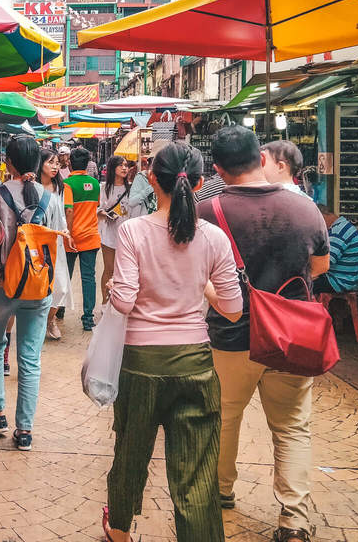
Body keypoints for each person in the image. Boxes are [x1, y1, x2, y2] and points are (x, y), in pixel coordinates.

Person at [103, 141, 242, 542]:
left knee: (130, 453)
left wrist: (114, 286)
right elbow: (233, 308)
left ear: (151, 179)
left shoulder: (132, 231)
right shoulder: (214, 237)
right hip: (195, 365)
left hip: (141, 364)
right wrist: (202, 290)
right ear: (199, 183)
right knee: (196, 474)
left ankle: (119, 531)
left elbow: (124, 301)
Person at [197, 126, 330, 542]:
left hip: (232, 335)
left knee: (224, 416)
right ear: (261, 157)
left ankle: (219, 492)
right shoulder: (305, 209)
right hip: (292, 335)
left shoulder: (207, 211)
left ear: (217, 168)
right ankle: (294, 520)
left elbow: (195, 273)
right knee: (292, 426)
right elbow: (321, 267)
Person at [0, 136, 71, 451]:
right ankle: (24, 431)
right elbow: (56, 242)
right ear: (37, 165)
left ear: (7, 163)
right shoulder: (49, 199)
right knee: (30, 357)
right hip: (38, 287)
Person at [98, 155, 146, 302]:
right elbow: (99, 209)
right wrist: (104, 213)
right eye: (121, 165)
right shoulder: (104, 188)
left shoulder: (132, 188)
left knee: (126, 271)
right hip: (109, 234)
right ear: (113, 168)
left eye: (126, 165)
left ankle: (122, 301)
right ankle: (105, 302)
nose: (124, 168)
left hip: (128, 236)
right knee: (109, 269)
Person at [63, 147, 102, 331]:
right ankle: (88, 318)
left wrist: (69, 233)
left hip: (72, 238)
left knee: (65, 275)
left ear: (70, 162)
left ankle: (60, 310)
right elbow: (96, 206)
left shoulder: (68, 184)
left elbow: (69, 210)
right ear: (87, 164)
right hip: (91, 237)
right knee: (89, 278)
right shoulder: (95, 183)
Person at [39, 146, 72, 339]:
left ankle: (49, 319)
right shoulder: (32, 186)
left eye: (57, 163)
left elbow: (61, 212)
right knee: (38, 286)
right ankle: (39, 322)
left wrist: (65, 229)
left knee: (61, 287)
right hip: (37, 243)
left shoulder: (59, 186)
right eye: (50, 162)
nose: (55, 166)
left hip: (57, 241)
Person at [314, 204, 358, 294]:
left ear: (322, 216)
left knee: (295, 287)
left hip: (338, 282)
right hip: (343, 278)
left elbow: (326, 262)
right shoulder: (341, 225)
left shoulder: (338, 232)